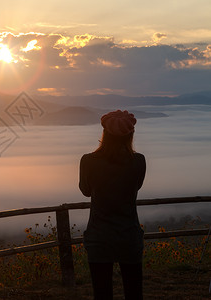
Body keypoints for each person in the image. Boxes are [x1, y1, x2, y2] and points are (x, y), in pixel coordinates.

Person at [79, 110, 146, 300]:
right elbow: (137, 187)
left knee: (102, 292)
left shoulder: (88, 161)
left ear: (104, 134)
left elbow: (85, 190)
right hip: (129, 234)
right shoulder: (138, 161)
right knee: (134, 292)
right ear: (130, 135)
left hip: (99, 236)